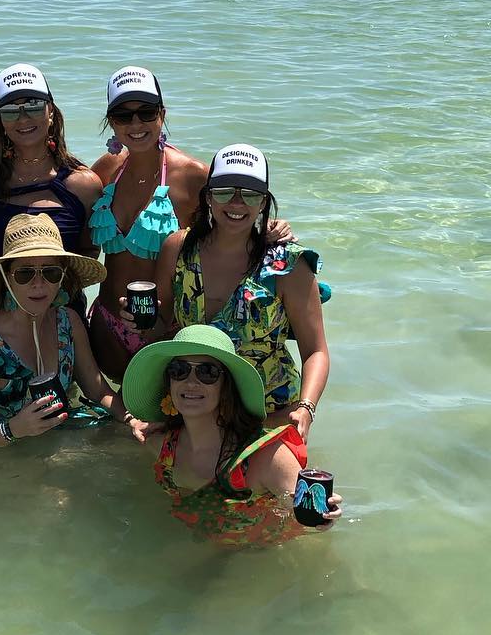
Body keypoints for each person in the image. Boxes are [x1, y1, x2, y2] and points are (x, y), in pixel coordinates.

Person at [155, 145, 329, 444]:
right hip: (192, 409)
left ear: (263, 202)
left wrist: (305, 408)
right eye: (224, 192)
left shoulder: (289, 266)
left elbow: (316, 351)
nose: (237, 202)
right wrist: (139, 322)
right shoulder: (178, 249)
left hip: (268, 414)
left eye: (249, 194)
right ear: (208, 197)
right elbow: (160, 328)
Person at [122, 324, 341, 546]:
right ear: (169, 383)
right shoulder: (160, 447)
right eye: (179, 370)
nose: (190, 382)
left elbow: (309, 516)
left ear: (226, 386)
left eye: (207, 372)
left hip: (258, 560)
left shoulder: (267, 456)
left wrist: (326, 514)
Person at [0, 214, 118, 445]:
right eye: (25, 273)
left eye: (50, 272)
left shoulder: (68, 322)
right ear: (7, 277)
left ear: (62, 276)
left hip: (50, 440)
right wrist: (14, 429)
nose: (38, 284)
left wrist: (131, 419)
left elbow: (98, 392)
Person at [87, 67, 208, 377]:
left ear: (162, 114)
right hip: (106, 324)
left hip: (164, 333)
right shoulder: (107, 170)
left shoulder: (193, 176)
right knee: (112, 421)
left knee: (162, 421)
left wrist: (273, 232)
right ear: (111, 122)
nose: (136, 123)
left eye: (146, 112)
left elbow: (236, 221)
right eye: (124, 116)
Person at [0, 64, 103, 261]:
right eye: (10, 110)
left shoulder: (83, 185)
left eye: (33, 105)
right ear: (0, 120)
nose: (23, 118)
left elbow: (89, 252)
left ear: (50, 111)